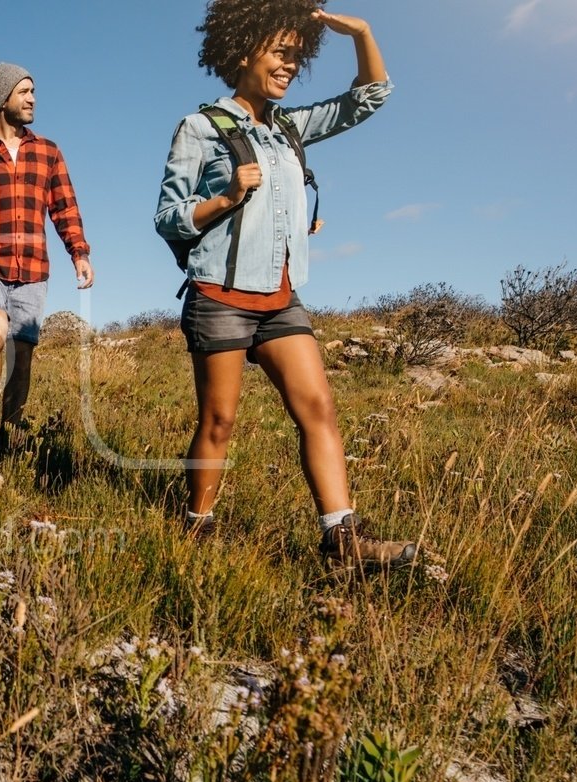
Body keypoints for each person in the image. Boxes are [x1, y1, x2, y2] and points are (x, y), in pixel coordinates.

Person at [153, 0, 416, 568]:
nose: (290, 65)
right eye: (280, 53)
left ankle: (341, 540)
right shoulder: (200, 127)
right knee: (219, 422)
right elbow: (168, 216)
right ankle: (195, 532)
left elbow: (371, 97)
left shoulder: (292, 128)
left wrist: (361, 32)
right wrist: (225, 198)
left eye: (297, 57)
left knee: (318, 407)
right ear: (244, 51)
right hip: (220, 296)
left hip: (280, 298)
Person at [0, 61, 93, 452]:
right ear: (1, 97)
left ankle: (10, 429)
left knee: (22, 352)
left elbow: (65, 207)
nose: (33, 99)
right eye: (25, 92)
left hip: (33, 266)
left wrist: (79, 252)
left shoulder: (48, 152)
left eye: (33, 92)